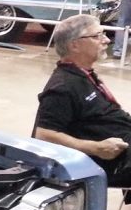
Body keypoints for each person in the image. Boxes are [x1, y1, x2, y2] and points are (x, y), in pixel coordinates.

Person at [34, 14, 131, 189]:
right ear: (74, 45)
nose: (106, 40)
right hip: (112, 161)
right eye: (97, 36)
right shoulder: (62, 87)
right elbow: (44, 135)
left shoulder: (84, 74)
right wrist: (96, 148)